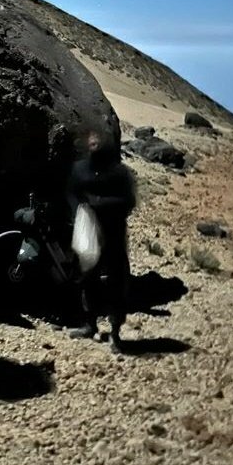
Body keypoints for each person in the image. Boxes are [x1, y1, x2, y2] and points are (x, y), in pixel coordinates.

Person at [66, 130, 136, 350]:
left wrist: (100, 204)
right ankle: (89, 324)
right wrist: (79, 211)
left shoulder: (119, 173)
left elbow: (128, 201)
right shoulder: (79, 169)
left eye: (99, 141)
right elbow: (71, 193)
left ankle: (115, 332)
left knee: (116, 280)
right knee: (86, 277)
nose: (94, 142)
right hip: (87, 229)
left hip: (113, 230)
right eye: (91, 140)